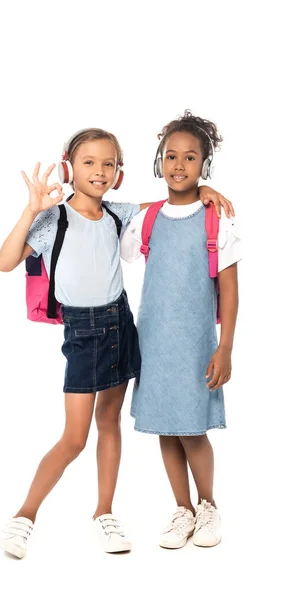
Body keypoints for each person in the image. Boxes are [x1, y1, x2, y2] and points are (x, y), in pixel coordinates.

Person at [0, 127, 233, 557]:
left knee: (110, 423)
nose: (100, 172)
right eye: (89, 163)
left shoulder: (118, 213)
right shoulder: (52, 218)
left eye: (109, 164)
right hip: (83, 334)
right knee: (73, 438)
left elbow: (169, 205)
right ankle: (24, 516)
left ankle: (104, 512)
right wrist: (30, 211)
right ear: (69, 166)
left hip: (121, 327)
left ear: (119, 174)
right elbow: (5, 261)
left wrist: (207, 189)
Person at [121, 111, 241, 549]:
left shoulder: (217, 218)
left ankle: (208, 505)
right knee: (166, 427)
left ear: (204, 165)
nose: (178, 165)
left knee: (193, 428)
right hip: (153, 341)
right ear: (159, 160)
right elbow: (106, 221)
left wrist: (225, 346)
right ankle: (182, 509)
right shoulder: (147, 218)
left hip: (195, 344)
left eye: (190, 158)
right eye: (171, 156)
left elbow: (229, 290)